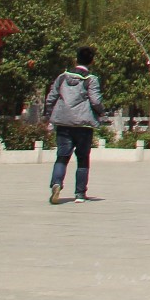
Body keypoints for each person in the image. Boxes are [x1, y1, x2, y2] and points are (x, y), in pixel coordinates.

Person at [44, 46, 105, 204]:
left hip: (64, 123)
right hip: (83, 125)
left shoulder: (62, 77)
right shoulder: (91, 79)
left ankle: (56, 183)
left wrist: (49, 114)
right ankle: (80, 193)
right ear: (91, 61)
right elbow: (96, 101)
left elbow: (51, 97)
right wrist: (101, 112)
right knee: (83, 159)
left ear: (76, 59)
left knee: (62, 157)